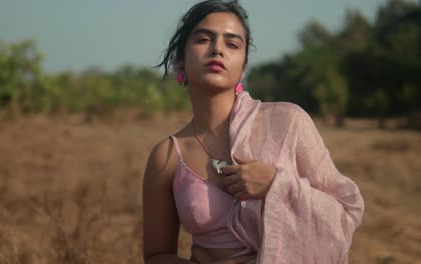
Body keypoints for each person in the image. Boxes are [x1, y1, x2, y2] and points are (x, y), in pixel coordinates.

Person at [142, 1, 364, 263]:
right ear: (180, 60)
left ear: (243, 66)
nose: (217, 50)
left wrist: (275, 184)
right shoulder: (167, 156)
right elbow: (158, 255)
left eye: (232, 44)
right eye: (204, 39)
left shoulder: (286, 122)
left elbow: (347, 209)